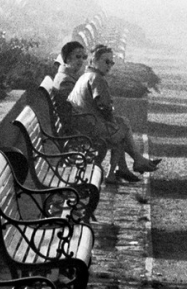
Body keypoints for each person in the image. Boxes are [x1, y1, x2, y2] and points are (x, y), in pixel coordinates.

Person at [66, 44, 161, 185]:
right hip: (89, 129)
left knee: (122, 124)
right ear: (93, 61)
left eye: (111, 62)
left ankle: (123, 168)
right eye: (106, 61)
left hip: (82, 125)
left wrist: (113, 120)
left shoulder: (86, 76)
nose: (109, 65)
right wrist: (112, 121)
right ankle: (134, 162)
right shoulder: (97, 79)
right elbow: (104, 106)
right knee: (121, 130)